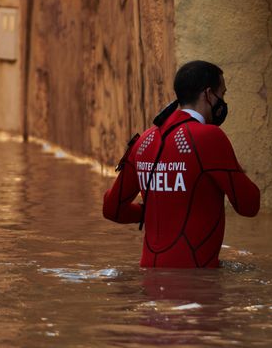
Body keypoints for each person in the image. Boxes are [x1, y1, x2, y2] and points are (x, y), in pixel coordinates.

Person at [103, 60, 260, 268]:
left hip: (149, 279)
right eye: (222, 94)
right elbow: (249, 205)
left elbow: (112, 209)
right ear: (208, 94)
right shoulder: (209, 137)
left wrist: (155, 209)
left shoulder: (144, 142)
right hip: (196, 281)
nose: (222, 101)